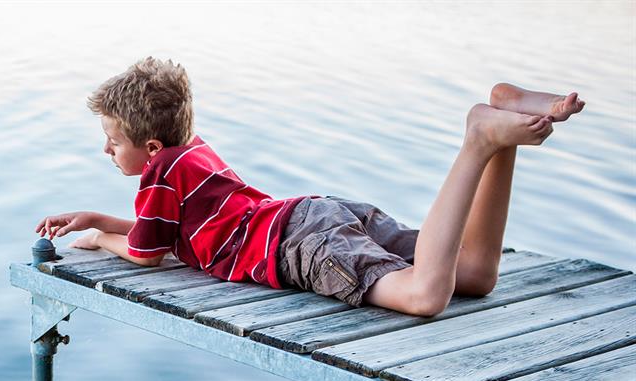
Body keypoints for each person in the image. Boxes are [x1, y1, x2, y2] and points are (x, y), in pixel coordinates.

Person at [35, 57, 585, 317]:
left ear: (151, 149)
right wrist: (98, 216)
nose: (106, 151)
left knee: (424, 296)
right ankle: (502, 126)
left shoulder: (158, 179)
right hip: (315, 215)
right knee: (475, 275)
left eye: (112, 141)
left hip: (299, 246)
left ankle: (478, 140)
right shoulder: (192, 153)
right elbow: (173, 233)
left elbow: (146, 254)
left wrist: (101, 241)